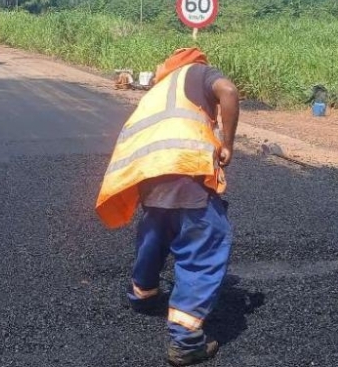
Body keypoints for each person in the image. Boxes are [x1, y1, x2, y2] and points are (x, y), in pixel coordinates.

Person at [96, 47, 240, 366]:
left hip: (149, 173)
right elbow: (228, 90)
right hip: (185, 170)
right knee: (205, 244)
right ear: (194, 62)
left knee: (156, 233)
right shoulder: (198, 72)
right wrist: (228, 143)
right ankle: (186, 342)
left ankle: (143, 294)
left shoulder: (158, 89)